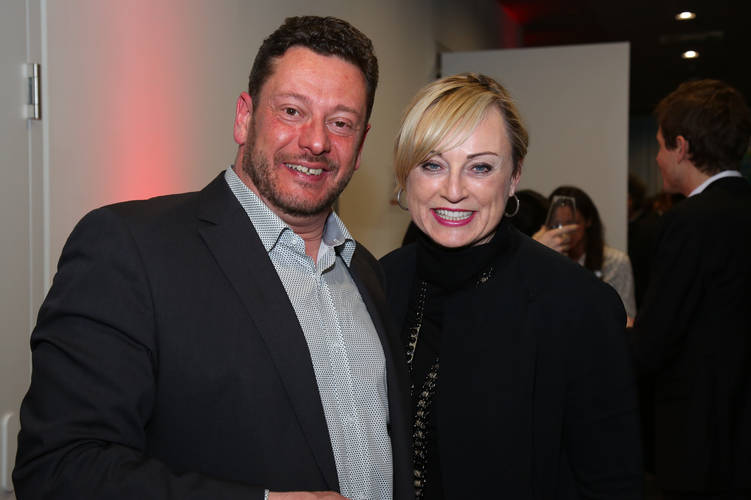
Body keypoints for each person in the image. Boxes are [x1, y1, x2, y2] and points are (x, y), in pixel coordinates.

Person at [13, 16, 412, 500]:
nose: (315, 141)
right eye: (291, 111)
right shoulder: (130, 249)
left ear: (361, 144)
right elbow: (59, 469)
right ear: (244, 118)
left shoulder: (367, 272)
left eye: (340, 123)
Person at [381, 73, 642, 499]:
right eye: (432, 164)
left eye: (480, 167)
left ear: (514, 176)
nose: (453, 190)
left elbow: (611, 482)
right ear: (406, 174)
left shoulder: (577, 305)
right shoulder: (380, 283)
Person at [629, 79, 751, 499]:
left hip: (703, 430)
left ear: (681, 147)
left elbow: (656, 342)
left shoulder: (689, 222)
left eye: (660, 146)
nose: (658, 159)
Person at [540, 185, 637, 325]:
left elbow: (627, 318)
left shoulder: (615, 262)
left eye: (571, 223)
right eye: (557, 225)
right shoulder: (547, 259)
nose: (564, 232)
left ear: (588, 221)